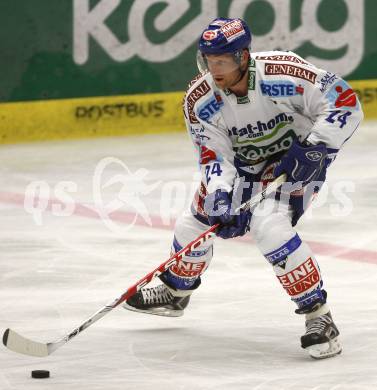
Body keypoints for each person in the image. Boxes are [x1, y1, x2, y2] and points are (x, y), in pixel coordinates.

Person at [123, 17, 363, 359]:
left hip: (295, 162)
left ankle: (319, 318)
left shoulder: (283, 71)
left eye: (222, 61)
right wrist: (220, 194)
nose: (214, 70)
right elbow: (213, 155)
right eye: (208, 61)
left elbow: (343, 101)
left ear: (243, 57)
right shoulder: (200, 99)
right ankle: (177, 290)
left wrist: (318, 147)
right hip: (244, 167)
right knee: (196, 222)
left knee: (269, 227)